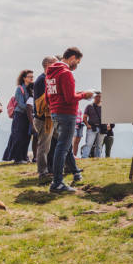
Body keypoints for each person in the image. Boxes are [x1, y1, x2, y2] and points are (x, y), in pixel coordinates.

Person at [46, 48, 94, 193]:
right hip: (67, 113)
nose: (77, 65)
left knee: (63, 146)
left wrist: (78, 93)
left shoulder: (51, 73)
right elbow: (69, 98)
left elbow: (50, 96)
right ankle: (57, 183)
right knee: (62, 147)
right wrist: (85, 95)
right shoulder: (66, 73)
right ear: (72, 57)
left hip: (55, 111)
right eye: (77, 62)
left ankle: (74, 173)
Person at [31, 56, 58, 182]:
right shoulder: (42, 80)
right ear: (48, 65)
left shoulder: (47, 79)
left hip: (50, 118)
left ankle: (58, 167)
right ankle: (42, 171)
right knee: (44, 146)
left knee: (58, 142)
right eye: (55, 64)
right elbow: (42, 102)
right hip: (43, 119)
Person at [4, 70, 34, 164]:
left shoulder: (31, 88)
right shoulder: (20, 88)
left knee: (26, 137)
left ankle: (23, 157)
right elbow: (20, 104)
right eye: (29, 77)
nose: (31, 78)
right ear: (24, 78)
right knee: (18, 136)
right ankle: (17, 158)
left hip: (28, 116)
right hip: (20, 115)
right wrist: (31, 109)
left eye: (32, 77)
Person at [81, 92, 104, 157]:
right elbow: (84, 117)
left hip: (102, 128)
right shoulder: (89, 106)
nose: (99, 98)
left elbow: (108, 116)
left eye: (100, 96)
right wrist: (87, 125)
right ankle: (84, 158)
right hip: (92, 128)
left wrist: (108, 125)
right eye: (97, 96)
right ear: (94, 97)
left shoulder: (104, 107)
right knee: (89, 144)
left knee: (99, 145)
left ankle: (98, 159)